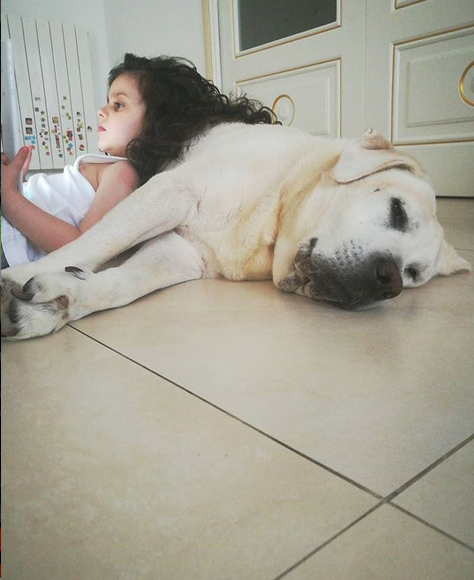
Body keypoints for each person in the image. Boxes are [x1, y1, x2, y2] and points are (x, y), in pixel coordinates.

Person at [1, 53, 275, 268]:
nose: (101, 111)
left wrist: (9, 197)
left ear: (156, 123)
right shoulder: (111, 167)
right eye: (108, 101)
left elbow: (84, 247)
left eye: (118, 105)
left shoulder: (124, 173)